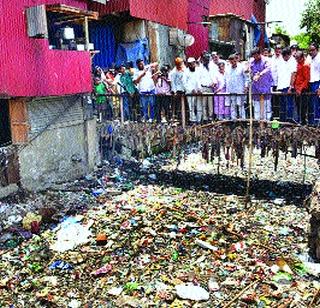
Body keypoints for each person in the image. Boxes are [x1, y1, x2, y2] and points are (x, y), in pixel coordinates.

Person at [250, 47, 273, 120]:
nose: (255, 57)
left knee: (266, 106)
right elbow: (250, 71)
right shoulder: (252, 62)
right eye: (253, 56)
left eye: (256, 56)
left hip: (265, 87)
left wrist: (260, 74)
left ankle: (267, 121)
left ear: (259, 54)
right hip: (256, 88)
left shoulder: (266, 60)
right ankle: (258, 121)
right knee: (256, 106)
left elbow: (268, 69)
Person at [225, 54, 248, 120]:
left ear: (236, 60)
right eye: (231, 62)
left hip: (239, 90)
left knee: (240, 105)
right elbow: (226, 79)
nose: (233, 63)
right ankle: (233, 119)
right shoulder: (228, 68)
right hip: (231, 90)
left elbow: (246, 78)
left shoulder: (241, 67)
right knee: (233, 106)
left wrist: (246, 87)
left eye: (234, 61)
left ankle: (243, 120)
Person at [277, 47, 297, 122]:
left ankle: (289, 121)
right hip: (282, 86)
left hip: (288, 87)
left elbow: (293, 74)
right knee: (282, 105)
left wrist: (291, 86)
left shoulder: (293, 62)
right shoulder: (282, 61)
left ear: (288, 55)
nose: (283, 58)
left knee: (289, 105)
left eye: (284, 56)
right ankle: (283, 121)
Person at [293, 51, 310, 125]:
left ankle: (303, 122)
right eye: (296, 59)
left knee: (303, 106)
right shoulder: (298, 64)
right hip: (297, 88)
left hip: (303, 89)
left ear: (302, 58)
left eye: (298, 59)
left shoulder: (305, 65)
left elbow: (307, 79)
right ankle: (300, 120)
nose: (297, 60)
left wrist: (300, 89)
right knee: (298, 106)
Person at [199, 52, 216, 121]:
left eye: (207, 59)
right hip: (203, 87)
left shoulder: (212, 67)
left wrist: (214, 83)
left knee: (210, 104)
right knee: (203, 104)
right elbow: (198, 78)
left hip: (210, 88)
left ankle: (210, 117)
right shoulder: (200, 68)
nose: (206, 60)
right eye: (205, 59)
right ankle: (205, 118)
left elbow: (214, 76)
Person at [184, 57, 202, 123]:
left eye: (193, 63)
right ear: (188, 64)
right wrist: (191, 90)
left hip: (198, 91)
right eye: (190, 64)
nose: (192, 65)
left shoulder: (198, 70)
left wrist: (199, 89)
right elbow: (184, 83)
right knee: (191, 106)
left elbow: (199, 81)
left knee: (199, 105)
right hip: (190, 92)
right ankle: (192, 120)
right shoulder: (186, 72)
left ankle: (199, 119)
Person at [309, 43, 320, 125]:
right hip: (312, 83)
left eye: (313, 50)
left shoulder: (319, 59)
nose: (311, 52)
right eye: (310, 50)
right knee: (313, 103)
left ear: (317, 50)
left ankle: (317, 122)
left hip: (317, 83)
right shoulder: (310, 59)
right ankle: (314, 121)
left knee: (317, 104)